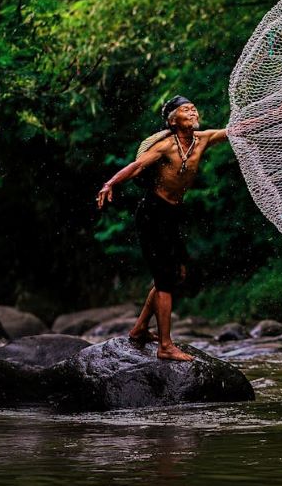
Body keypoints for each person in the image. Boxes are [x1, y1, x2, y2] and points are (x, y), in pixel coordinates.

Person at [96, 95, 228, 361]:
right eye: (186, 110)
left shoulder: (202, 139)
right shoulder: (166, 145)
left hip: (173, 213)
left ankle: (140, 329)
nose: (193, 112)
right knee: (165, 279)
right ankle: (165, 346)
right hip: (153, 213)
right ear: (173, 121)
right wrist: (110, 183)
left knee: (176, 274)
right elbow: (137, 166)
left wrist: (274, 116)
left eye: (194, 108)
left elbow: (235, 130)